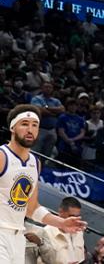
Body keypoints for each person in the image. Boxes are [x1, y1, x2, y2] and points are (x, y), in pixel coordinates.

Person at [0, 105, 87, 261]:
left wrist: (61, 223)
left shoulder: (35, 163)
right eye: (24, 124)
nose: (30, 129)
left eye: (35, 125)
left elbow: (32, 208)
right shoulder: (2, 156)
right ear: (13, 127)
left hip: (18, 236)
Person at [41, 196, 87, 264]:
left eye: (77, 217)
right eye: (72, 216)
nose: (75, 220)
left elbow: (82, 258)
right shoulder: (46, 233)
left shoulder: (79, 232)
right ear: (60, 212)